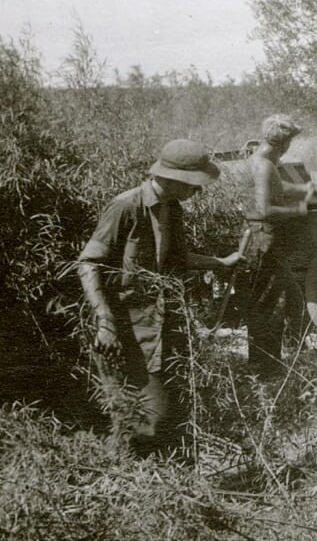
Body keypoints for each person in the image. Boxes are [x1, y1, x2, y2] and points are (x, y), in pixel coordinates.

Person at [78, 139, 243, 456]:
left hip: (164, 325)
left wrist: (220, 263)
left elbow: (176, 259)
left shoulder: (172, 209)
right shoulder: (126, 206)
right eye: (194, 184)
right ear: (173, 179)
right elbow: (88, 264)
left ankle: (176, 484)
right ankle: (136, 482)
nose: (199, 191)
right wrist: (105, 320)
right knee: (146, 419)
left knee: (176, 411)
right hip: (127, 332)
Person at [244, 114, 313, 375]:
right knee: (267, 304)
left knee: (290, 295)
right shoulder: (265, 165)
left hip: (262, 237)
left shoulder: (261, 160)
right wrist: (298, 210)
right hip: (264, 238)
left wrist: (303, 188)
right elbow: (265, 209)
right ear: (284, 143)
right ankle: (264, 368)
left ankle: (284, 354)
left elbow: (274, 185)